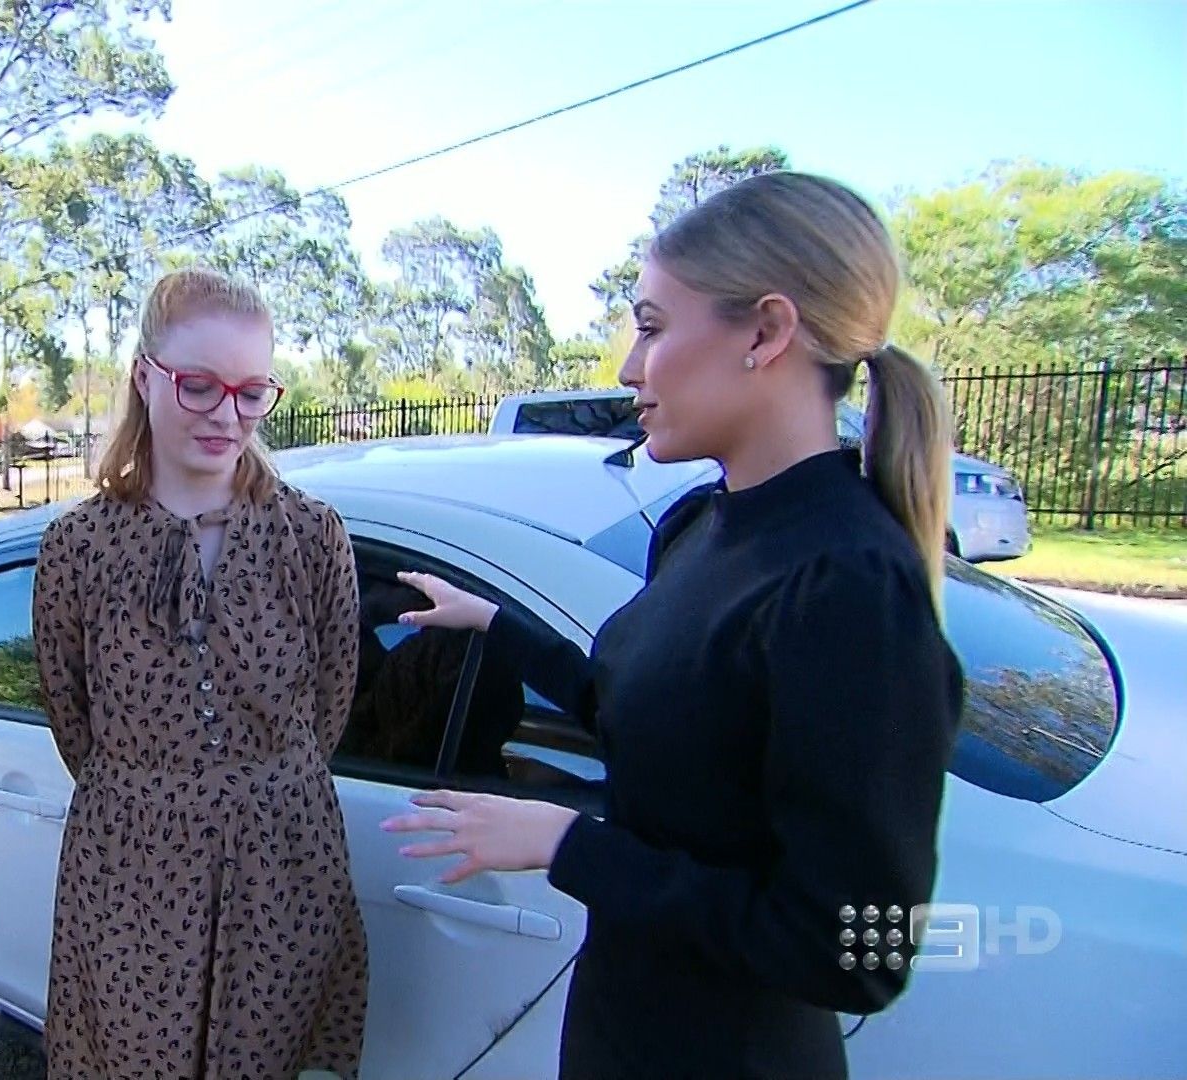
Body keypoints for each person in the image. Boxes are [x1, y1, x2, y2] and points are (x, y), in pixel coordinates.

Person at [385, 171, 966, 1079]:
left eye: (651, 327)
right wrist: (497, 623)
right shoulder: (702, 523)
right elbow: (657, 719)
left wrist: (567, 844)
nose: (627, 368)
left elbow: (857, 953)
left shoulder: (847, 584)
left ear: (765, 333)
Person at [32, 266, 368, 1080]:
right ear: (145, 377)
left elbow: (330, 703)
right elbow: (72, 718)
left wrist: (252, 788)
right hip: (132, 869)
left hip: (283, 863)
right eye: (200, 386)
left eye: (252, 393)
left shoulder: (312, 536)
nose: (227, 415)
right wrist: (162, 791)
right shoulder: (78, 548)